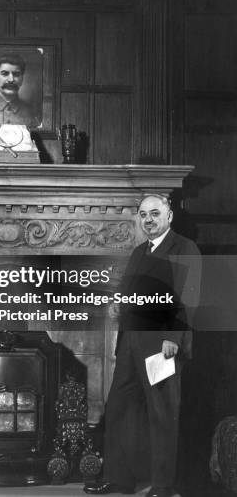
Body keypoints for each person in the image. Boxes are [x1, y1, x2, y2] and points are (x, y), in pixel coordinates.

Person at [92, 195, 201, 497]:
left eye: (155, 213)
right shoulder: (140, 251)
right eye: (143, 215)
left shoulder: (185, 248)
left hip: (162, 343)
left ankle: (163, 487)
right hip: (131, 343)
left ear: (169, 216)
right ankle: (119, 480)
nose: (148, 219)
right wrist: (119, 304)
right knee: (118, 408)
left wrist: (174, 338)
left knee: (162, 414)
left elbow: (188, 297)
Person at [0, 53, 40, 127]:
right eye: (5, 74)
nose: (11, 79)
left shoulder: (30, 112)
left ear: (22, 79)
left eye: (16, 74)